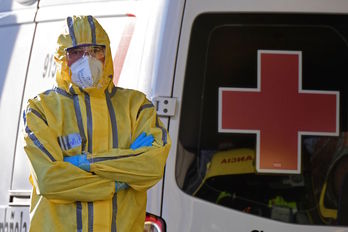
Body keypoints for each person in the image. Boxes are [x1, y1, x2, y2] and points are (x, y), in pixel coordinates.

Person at [23, 15, 171, 232]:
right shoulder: (41, 110)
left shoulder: (137, 106)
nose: (87, 59)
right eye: (75, 53)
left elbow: (152, 167)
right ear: (62, 59)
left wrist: (82, 163)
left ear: (107, 54)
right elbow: (49, 181)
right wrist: (118, 182)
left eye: (95, 51)